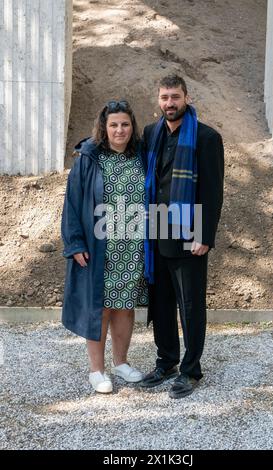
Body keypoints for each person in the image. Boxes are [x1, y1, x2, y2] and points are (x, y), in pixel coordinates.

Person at [141, 75, 224, 398]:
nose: (169, 103)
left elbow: (212, 192)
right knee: (161, 304)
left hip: (189, 234)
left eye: (175, 97)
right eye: (164, 97)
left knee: (190, 305)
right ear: (158, 100)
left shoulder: (205, 137)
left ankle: (191, 370)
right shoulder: (152, 133)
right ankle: (167, 362)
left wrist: (205, 236)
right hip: (156, 231)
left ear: (186, 98)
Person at [61, 100, 147, 394]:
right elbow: (72, 203)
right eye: (114, 125)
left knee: (124, 306)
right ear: (104, 127)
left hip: (133, 246)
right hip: (100, 247)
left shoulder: (141, 156)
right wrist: (74, 243)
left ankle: (121, 362)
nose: (120, 130)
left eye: (125, 124)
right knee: (101, 307)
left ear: (132, 126)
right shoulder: (88, 158)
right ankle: (97, 370)